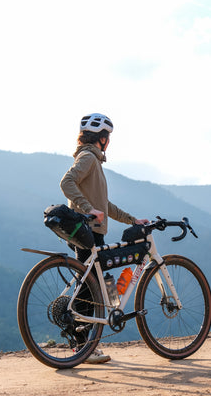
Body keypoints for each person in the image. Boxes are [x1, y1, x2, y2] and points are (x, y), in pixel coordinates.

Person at [60, 113, 148, 364]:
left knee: (101, 284)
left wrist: (132, 220)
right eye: (107, 137)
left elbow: (105, 205)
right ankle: (84, 347)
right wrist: (87, 208)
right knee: (92, 289)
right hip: (87, 231)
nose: (108, 141)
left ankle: (87, 342)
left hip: (91, 232)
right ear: (102, 139)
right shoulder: (88, 157)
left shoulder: (93, 161)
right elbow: (66, 183)